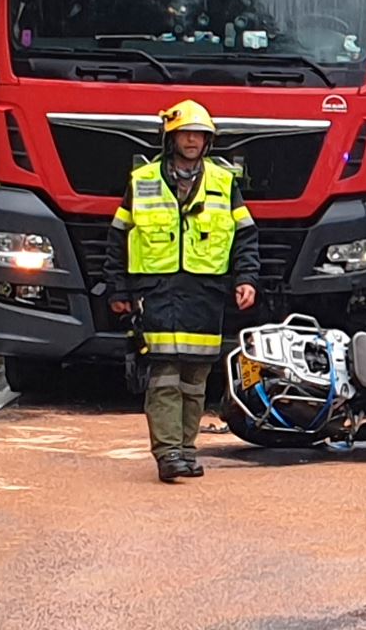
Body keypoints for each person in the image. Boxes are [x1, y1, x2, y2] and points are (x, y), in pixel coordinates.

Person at [102, 99, 259, 483]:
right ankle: (168, 452)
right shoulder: (142, 181)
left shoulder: (224, 183)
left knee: (195, 378)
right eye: (185, 134)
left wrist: (246, 279)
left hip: (204, 294)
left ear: (207, 142)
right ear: (170, 138)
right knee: (164, 375)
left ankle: (187, 450)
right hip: (156, 292)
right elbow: (118, 239)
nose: (191, 140)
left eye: (198, 135)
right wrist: (118, 289)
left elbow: (245, 237)